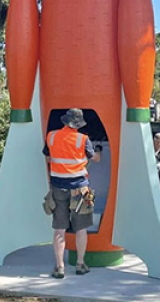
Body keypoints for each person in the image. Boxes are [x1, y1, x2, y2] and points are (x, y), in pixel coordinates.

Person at [43, 109, 101, 279]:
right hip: (79, 189)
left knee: (59, 229)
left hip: (58, 188)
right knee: (81, 228)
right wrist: (98, 151)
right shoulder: (83, 139)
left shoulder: (52, 136)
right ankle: (80, 264)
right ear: (78, 124)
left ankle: (60, 267)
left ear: (64, 121)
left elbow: (48, 158)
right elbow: (95, 158)